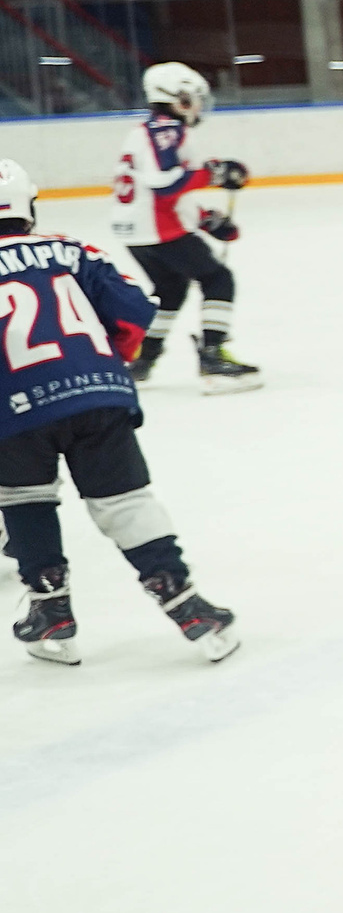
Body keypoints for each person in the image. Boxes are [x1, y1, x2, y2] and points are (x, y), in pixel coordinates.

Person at [0, 159, 240, 667]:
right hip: (98, 392)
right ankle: (186, 603)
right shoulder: (70, 250)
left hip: (12, 406)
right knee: (126, 501)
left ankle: (51, 609)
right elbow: (136, 312)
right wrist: (102, 364)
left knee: (24, 498)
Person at [109, 61, 259, 391]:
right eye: (194, 98)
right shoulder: (166, 130)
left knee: (171, 291)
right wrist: (215, 173)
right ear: (178, 98)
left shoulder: (143, 131)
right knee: (218, 278)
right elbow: (164, 184)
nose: (199, 105)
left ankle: (142, 361)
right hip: (158, 229)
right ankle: (213, 358)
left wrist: (207, 220)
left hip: (134, 231)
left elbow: (166, 193)